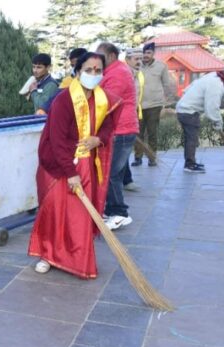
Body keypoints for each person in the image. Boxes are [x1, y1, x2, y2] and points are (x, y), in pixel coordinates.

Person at [28, 52, 120, 279]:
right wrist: (70, 173)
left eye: (98, 71)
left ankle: (76, 258)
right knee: (54, 211)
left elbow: (108, 126)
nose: (93, 75)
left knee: (79, 216)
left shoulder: (103, 99)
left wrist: (98, 139)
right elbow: (57, 141)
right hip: (60, 167)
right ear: (78, 73)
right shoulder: (63, 100)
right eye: (88, 70)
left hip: (87, 164)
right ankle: (47, 255)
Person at [97, 42, 139, 231]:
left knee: (112, 174)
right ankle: (112, 208)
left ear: (112, 56)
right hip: (118, 129)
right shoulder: (111, 71)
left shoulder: (118, 73)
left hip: (121, 130)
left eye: (101, 56)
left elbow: (106, 101)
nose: (98, 59)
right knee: (114, 172)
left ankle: (120, 213)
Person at [176, 67, 224, 174]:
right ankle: (189, 165)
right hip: (189, 111)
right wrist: (218, 122)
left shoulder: (212, 75)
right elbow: (212, 107)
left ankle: (191, 162)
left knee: (190, 138)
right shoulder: (217, 84)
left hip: (183, 109)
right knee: (192, 139)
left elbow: (188, 88)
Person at [138, 42, 177, 166]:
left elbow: (166, 84)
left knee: (152, 133)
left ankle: (152, 158)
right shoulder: (136, 66)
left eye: (148, 53)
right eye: (144, 53)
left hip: (155, 104)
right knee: (138, 133)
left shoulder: (161, 66)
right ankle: (137, 158)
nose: (146, 55)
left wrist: (166, 102)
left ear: (153, 54)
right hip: (138, 105)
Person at [122, 48, 143, 191]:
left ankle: (127, 180)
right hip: (122, 119)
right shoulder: (124, 74)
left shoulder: (137, 74)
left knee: (124, 152)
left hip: (132, 115)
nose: (139, 62)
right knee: (122, 152)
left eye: (140, 59)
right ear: (127, 59)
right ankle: (126, 181)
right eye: (136, 59)